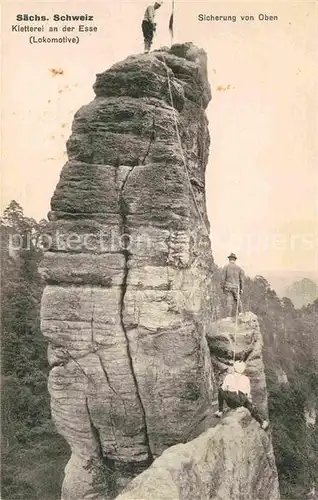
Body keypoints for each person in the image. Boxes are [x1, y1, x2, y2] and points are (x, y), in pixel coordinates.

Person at [215, 361, 269, 430]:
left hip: (231, 403)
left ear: (234, 368)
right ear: (243, 370)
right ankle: (262, 422)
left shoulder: (229, 376)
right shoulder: (246, 379)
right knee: (248, 402)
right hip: (240, 402)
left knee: (220, 390)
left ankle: (220, 411)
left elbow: (224, 388)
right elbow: (248, 393)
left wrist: (229, 385)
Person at [221, 252, 244, 318]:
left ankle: (228, 316)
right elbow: (241, 280)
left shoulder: (226, 267)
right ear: (235, 260)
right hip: (236, 287)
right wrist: (242, 288)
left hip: (228, 286)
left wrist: (222, 287)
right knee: (238, 300)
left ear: (229, 259)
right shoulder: (239, 268)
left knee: (229, 301)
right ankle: (241, 313)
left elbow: (223, 278)